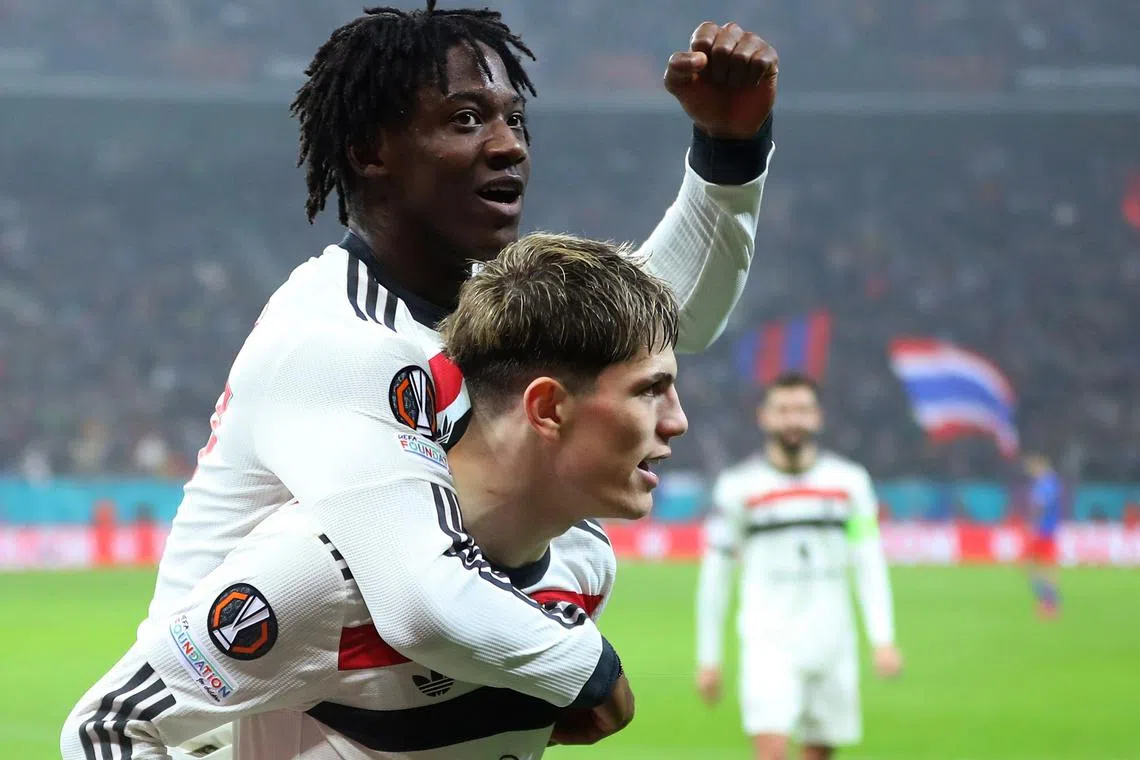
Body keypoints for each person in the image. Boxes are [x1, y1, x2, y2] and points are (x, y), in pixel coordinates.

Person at [140, 3, 776, 755]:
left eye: (515, 120)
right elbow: (422, 599)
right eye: (467, 119)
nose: (509, 145)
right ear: (371, 150)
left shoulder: (476, 307)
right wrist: (585, 668)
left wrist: (727, 154)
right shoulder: (337, 340)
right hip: (225, 730)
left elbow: (657, 325)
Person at [62, 232, 688, 759]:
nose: (677, 420)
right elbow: (106, 729)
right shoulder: (319, 575)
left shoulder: (585, 562)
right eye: (649, 390)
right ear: (547, 408)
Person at [694, 373, 901, 760]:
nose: (793, 420)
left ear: (818, 417)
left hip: (832, 640)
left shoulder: (850, 483)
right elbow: (715, 576)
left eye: (802, 410)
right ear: (764, 417)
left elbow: (869, 561)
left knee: (820, 751)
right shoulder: (738, 488)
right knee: (771, 750)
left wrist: (883, 638)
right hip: (769, 640)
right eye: (783, 410)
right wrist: (709, 657)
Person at [1023, 453, 1063, 618]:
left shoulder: (1047, 483)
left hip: (1043, 531)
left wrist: (1033, 524)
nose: (1029, 471)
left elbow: (1040, 506)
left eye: (1031, 467)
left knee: (1040, 567)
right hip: (1045, 530)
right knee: (1036, 566)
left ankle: (1049, 602)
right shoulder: (1048, 482)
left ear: (1039, 465)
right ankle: (1048, 600)